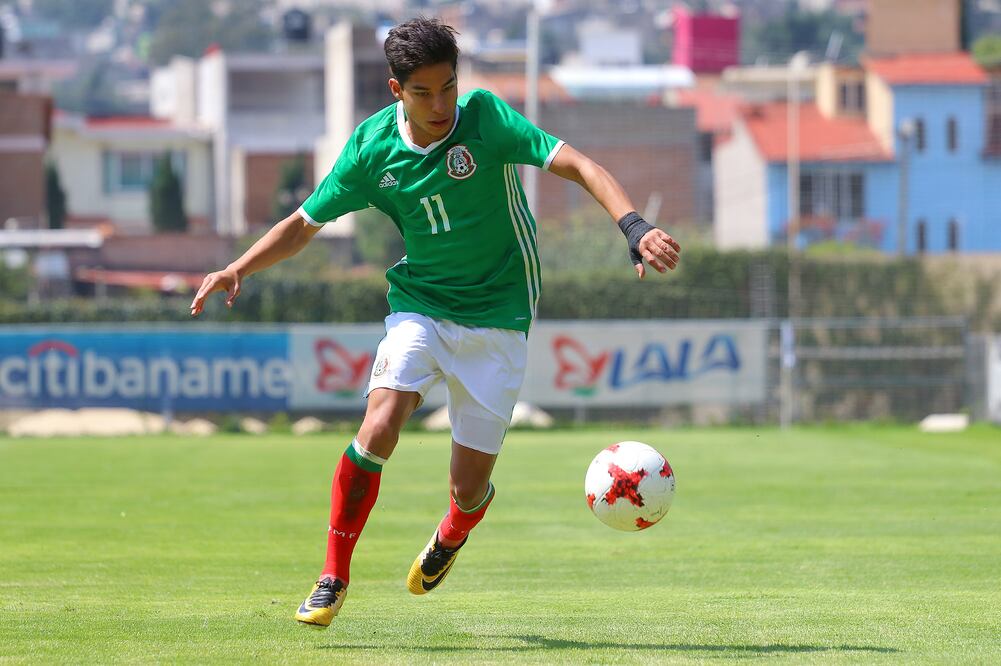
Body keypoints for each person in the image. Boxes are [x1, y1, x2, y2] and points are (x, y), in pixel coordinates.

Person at [189, 16, 681, 630]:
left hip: (500, 312)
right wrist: (238, 267)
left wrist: (634, 227)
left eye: (448, 87)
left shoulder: (486, 117)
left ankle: (454, 530)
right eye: (423, 92)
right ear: (396, 90)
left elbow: (580, 165)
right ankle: (333, 575)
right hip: (420, 303)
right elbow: (303, 224)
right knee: (380, 421)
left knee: (469, 488)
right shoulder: (371, 150)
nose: (441, 104)